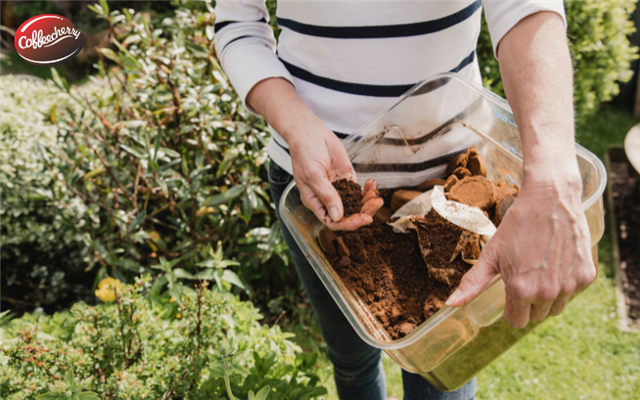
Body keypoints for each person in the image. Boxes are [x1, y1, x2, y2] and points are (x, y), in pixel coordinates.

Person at [213, 2, 597, 399]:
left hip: (456, 190)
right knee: (352, 362)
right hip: (322, 193)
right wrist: (297, 125)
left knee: (444, 380)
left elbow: (525, 7)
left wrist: (552, 182)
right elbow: (237, 23)